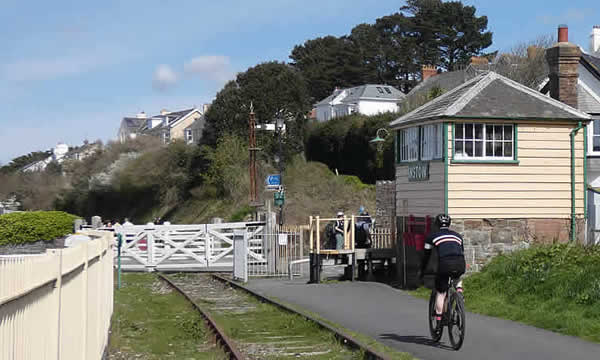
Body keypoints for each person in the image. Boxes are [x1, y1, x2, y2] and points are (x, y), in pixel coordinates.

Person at [421, 214, 466, 329]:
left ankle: (439, 321)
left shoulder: (432, 237)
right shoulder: (458, 236)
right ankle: (459, 293)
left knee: (441, 293)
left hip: (445, 264)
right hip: (460, 263)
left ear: (436, 224)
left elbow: (426, 256)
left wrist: (422, 270)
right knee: (457, 277)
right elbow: (461, 251)